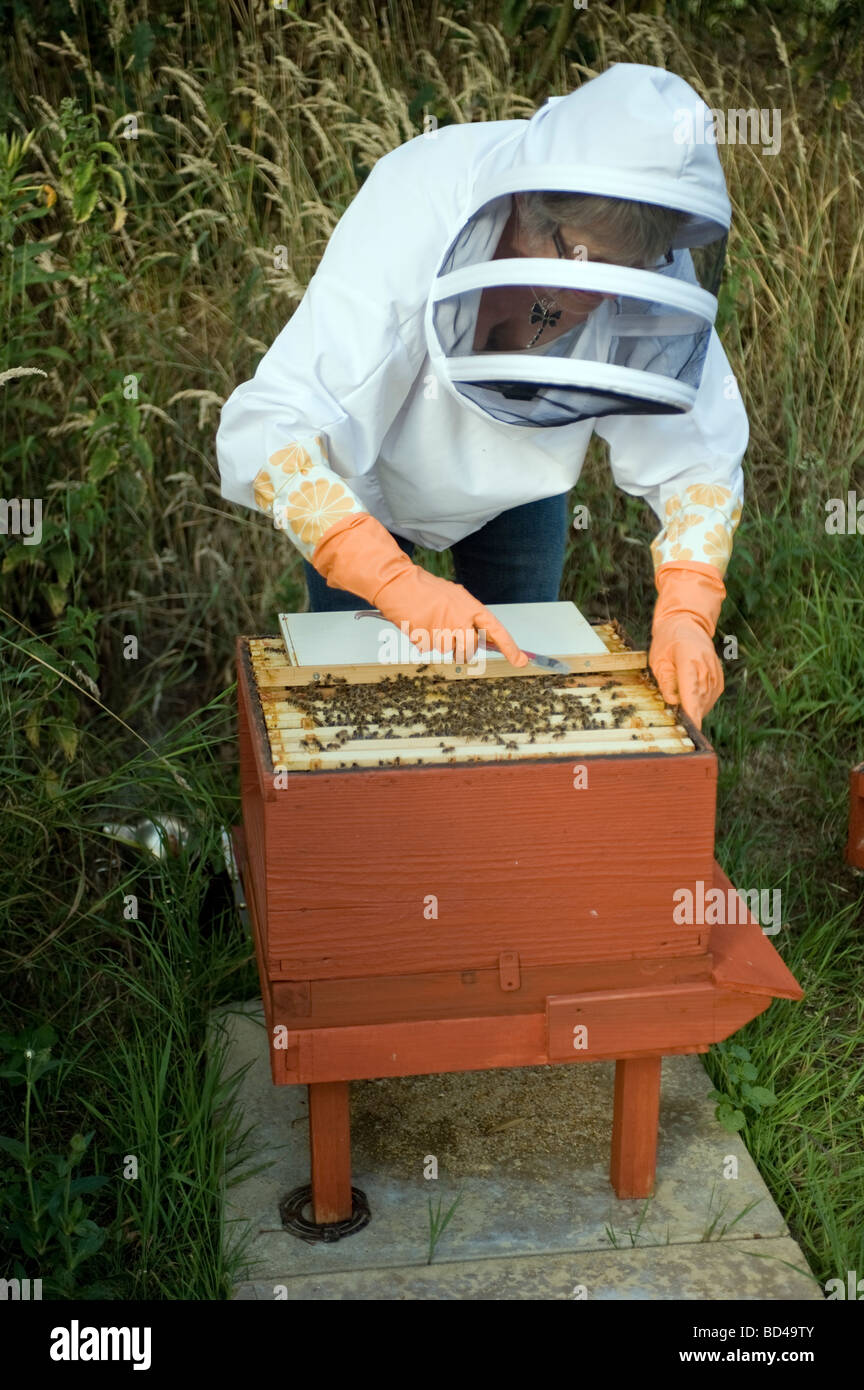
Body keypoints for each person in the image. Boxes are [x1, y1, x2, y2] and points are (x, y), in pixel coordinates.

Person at [216, 62, 747, 727]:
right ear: (533, 213)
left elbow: (697, 452)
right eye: (595, 268)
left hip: (520, 487)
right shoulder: (417, 203)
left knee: (512, 711)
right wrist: (393, 582)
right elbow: (270, 430)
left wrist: (688, 610)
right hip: (366, 492)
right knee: (358, 713)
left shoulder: (636, 259)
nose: (615, 296)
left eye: (636, 272)